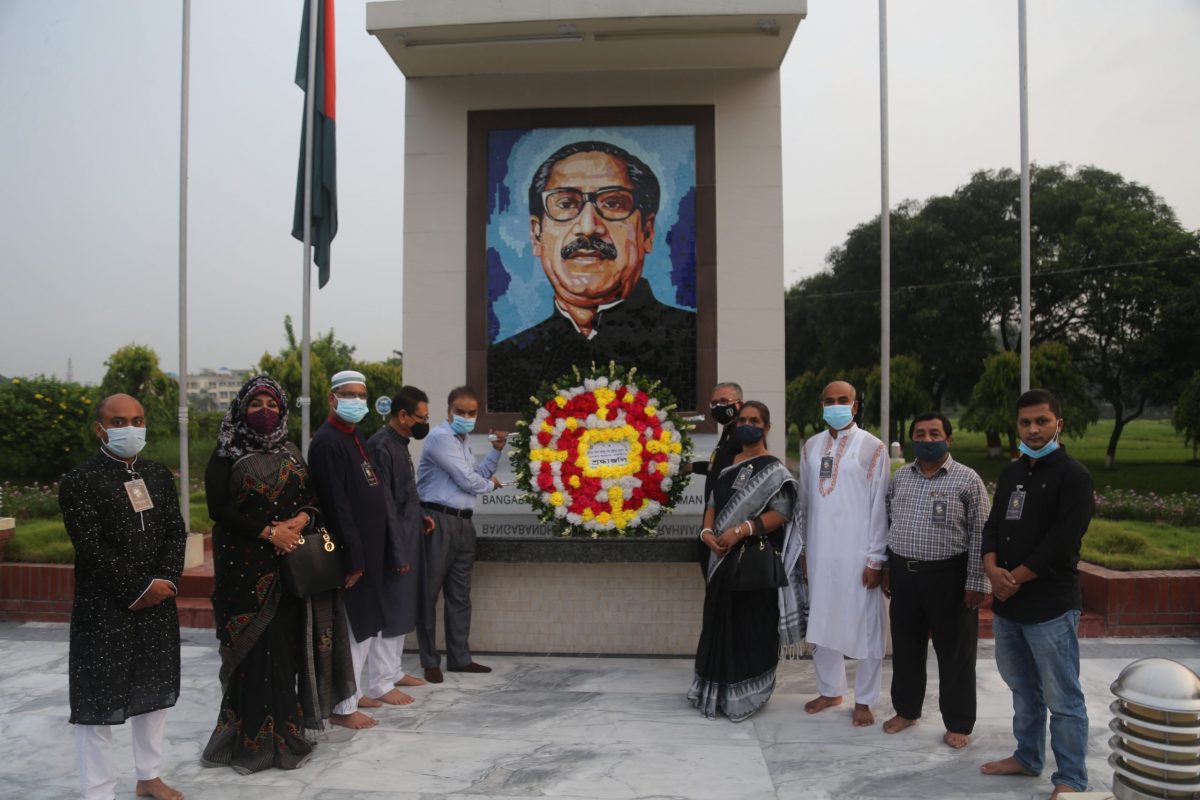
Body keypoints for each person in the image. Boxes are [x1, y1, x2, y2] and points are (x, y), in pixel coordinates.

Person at [200, 375, 356, 773]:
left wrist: (300, 519)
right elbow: (218, 510)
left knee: (286, 652)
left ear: (283, 410)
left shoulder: (290, 451)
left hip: (290, 572)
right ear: (241, 410)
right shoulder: (225, 454)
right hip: (245, 573)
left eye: (271, 404)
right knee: (253, 654)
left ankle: (286, 732)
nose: (264, 412)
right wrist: (270, 532)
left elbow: (312, 499)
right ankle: (249, 739)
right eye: (255, 405)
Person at [487, 140, 697, 411]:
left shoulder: (691, 344)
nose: (587, 227)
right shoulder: (503, 364)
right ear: (537, 235)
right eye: (565, 203)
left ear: (647, 232)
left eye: (612, 203)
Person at [58, 393, 187, 800]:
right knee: (99, 698)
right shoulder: (80, 480)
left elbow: (174, 531)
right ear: (100, 428)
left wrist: (164, 580)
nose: (129, 429)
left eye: (137, 419)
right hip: (105, 606)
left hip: (158, 603)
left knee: (154, 691)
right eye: (118, 422)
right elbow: (90, 547)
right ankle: (98, 791)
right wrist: (138, 588)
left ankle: (148, 775)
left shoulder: (157, 475)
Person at [980, 389, 1094, 799]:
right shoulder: (1013, 473)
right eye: (1026, 422)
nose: (1033, 430)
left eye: (1042, 421)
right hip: (1011, 605)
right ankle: (1027, 757)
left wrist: (1013, 578)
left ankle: (1071, 778)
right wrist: (993, 569)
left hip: (1050, 605)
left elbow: (1061, 543)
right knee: (1022, 688)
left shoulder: (1074, 477)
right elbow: (992, 525)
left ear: (1058, 424)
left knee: (1062, 695)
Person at [306, 370, 415, 729]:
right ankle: (342, 706)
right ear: (332, 398)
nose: (356, 401)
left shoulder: (354, 438)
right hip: (351, 554)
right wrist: (353, 556)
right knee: (352, 630)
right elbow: (337, 505)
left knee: (367, 626)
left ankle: (353, 693)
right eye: (348, 394)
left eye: (361, 395)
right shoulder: (327, 442)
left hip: (370, 550)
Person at [881, 412, 991, 748]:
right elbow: (888, 522)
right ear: (912, 438)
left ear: (948, 439)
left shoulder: (967, 480)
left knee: (955, 654)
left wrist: (976, 582)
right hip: (904, 574)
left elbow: (980, 534)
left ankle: (958, 721)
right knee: (906, 648)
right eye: (920, 434)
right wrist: (887, 567)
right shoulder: (901, 478)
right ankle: (907, 710)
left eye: (934, 433)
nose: (927, 440)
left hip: (949, 577)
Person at [688, 401, 801, 721]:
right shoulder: (729, 461)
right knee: (717, 624)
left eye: (754, 420)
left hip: (751, 563)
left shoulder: (774, 469)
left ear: (766, 427)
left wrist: (740, 530)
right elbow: (712, 501)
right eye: (742, 420)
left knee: (751, 626)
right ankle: (713, 691)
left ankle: (747, 695)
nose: (747, 425)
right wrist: (707, 532)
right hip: (719, 558)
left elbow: (782, 512)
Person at [796, 380, 889, 727]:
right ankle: (830, 689)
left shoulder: (873, 448)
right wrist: (804, 549)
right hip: (821, 552)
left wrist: (875, 558)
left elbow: (879, 506)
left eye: (842, 400)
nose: (835, 405)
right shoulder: (810, 447)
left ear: (855, 405)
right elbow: (805, 503)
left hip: (859, 552)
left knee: (867, 626)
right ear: (821, 405)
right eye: (828, 401)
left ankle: (864, 700)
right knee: (822, 620)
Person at [416, 385, 506, 682]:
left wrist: (495, 451)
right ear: (449, 411)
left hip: (464, 523)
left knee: (459, 596)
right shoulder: (441, 438)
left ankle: (460, 658)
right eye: (461, 412)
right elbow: (469, 482)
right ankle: (429, 660)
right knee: (428, 594)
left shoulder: (462, 440)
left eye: (471, 413)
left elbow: (476, 475)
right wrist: (491, 485)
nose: (466, 417)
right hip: (437, 521)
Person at [366, 385, 436, 702]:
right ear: (403, 415)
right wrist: (395, 548)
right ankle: (380, 683)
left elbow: (405, 493)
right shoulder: (380, 446)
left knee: (404, 604)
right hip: (392, 542)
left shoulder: (400, 443)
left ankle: (393, 671)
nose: (425, 422)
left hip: (408, 536)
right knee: (391, 608)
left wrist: (419, 516)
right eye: (421, 417)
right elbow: (383, 505)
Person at [688, 382, 744, 576]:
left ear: (740, 404)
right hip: (713, 525)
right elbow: (718, 468)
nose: (718, 407)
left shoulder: (742, 436)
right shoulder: (728, 433)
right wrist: (692, 467)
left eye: (724, 401)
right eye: (714, 404)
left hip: (725, 527)